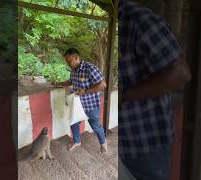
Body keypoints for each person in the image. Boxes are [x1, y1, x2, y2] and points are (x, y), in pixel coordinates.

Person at [119, 1, 191, 180]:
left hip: (144, 142)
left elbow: (180, 73)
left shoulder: (137, 19)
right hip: (123, 139)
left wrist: (126, 95)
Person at [52, 47, 108, 153]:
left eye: (69, 61)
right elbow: (70, 82)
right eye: (67, 62)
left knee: (95, 126)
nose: (68, 64)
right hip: (78, 104)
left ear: (76, 58)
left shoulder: (90, 68)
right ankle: (77, 141)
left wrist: (85, 91)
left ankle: (103, 143)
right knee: (74, 122)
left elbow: (103, 85)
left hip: (91, 104)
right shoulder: (74, 70)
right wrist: (58, 83)